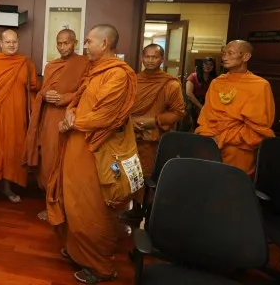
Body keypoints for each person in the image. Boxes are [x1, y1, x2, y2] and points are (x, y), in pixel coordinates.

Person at [54, 24, 137, 284]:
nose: (85, 46)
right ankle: (79, 251)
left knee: (93, 207)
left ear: (105, 44)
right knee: (74, 202)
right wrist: (70, 113)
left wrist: (72, 122)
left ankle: (101, 266)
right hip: (77, 147)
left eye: (89, 41)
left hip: (97, 150)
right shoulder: (94, 70)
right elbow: (78, 100)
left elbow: (105, 116)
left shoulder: (118, 75)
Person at [22, 29, 89, 220]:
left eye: (66, 43)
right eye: (59, 43)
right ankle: (50, 203)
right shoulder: (51, 66)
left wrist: (63, 98)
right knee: (49, 162)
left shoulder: (84, 64)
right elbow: (43, 90)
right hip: (49, 119)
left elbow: (86, 92)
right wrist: (45, 95)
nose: (62, 47)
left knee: (67, 163)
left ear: (74, 42)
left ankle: (65, 206)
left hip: (70, 118)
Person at [121, 43, 185, 220]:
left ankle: (149, 212)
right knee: (132, 173)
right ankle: (135, 208)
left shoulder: (170, 84)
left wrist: (155, 120)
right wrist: (130, 121)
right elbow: (122, 107)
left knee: (149, 174)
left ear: (161, 59)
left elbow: (178, 112)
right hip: (130, 134)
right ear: (141, 58)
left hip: (153, 138)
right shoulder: (133, 80)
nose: (150, 60)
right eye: (147, 57)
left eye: (154, 57)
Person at [0, 29, 38, 203]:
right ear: (1, 44)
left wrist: (33, 115)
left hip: (18, 118)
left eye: (14, 42)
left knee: (13, 152)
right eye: (8, 42)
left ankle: (8, 187)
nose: (12, 45)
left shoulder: (26, 63)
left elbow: (33, 89)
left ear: (18, 43)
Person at [196, 40, 275, 176]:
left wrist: (223, 137)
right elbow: (206, 115)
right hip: (211, 143)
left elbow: (258, 127)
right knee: (206, 184)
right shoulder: (216, 82)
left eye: (230, 53)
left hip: (238, 148)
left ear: (246, 57)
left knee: (233, 188)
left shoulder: (260, 85)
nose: (224, 57)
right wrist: (208, 135)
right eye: (224, 53)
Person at [185, 57, 217, 129]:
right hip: (194, 102)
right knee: (193, 124)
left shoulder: (214, 78)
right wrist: (200, 106)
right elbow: (189, 93)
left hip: (208, 103)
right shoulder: (193, 76)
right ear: (201, 65)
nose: (208, 66)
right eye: (205, 64)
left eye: (211, 64)